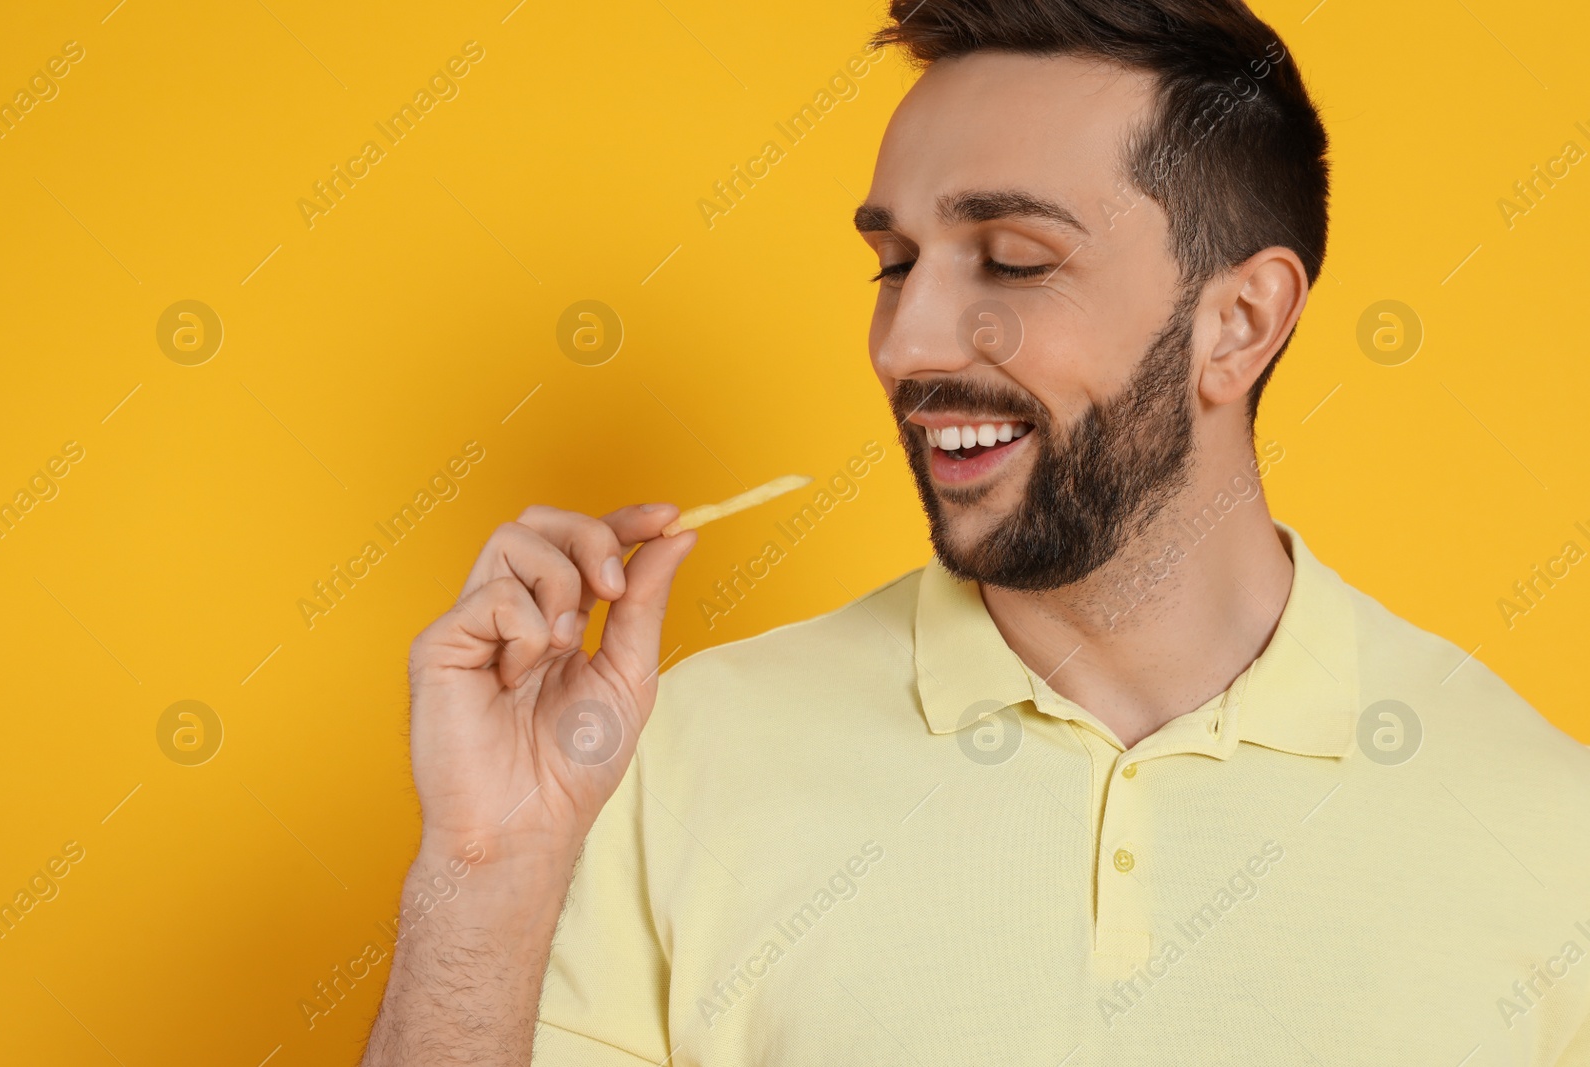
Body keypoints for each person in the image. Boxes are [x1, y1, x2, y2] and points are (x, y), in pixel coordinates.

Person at [362, 1, 1590, 1063]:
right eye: (895, 263)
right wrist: (488, 866)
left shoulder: (1546, 829)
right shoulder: (671, 758)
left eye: (1010, 261)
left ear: (1238, 322)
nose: (904, 345)